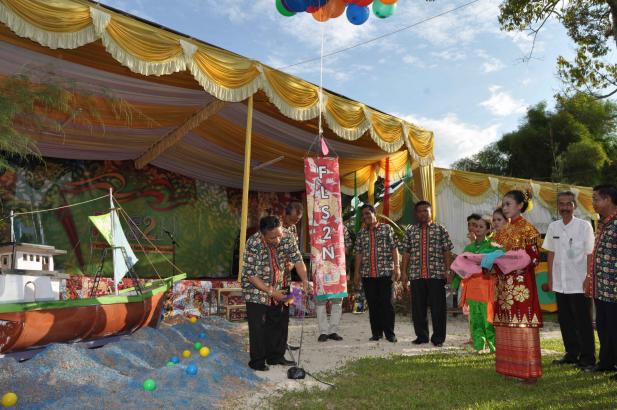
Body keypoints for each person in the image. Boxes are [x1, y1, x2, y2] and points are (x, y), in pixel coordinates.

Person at [241, 215, 310, 371]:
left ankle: (276, 357)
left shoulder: (288, 236)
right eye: (273, 237)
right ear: (263, 234)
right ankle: (257, 361)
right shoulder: (253, 242)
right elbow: (250, 274)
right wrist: (271, 292)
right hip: (256, 289)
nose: (278, 240)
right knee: (258, 326)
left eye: (279, 235)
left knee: (279, 322)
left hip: (281, 283)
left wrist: (305, 280)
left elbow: (298, 260)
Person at [492, 190, 542, 384]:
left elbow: (535, 258)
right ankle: (510, 368)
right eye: (503, 204)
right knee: (507, 324)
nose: (504, 208)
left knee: (523, 325)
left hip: (522, 287)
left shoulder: (528, 229)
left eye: (508, 204)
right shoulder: (503, 231)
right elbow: (496, 256)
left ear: (520, 205)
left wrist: (517, 263)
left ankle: (530, 374)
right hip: (503, 286)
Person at [542, 191, 595, 370]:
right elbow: (551, 253)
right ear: (558, 206)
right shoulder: (553, 227)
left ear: (575, 206)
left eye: (568, 204)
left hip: (579, 282)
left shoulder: (584, 226)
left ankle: (588, 358)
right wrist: (550, 279)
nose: (565, 207)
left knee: (583, 322)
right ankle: (571, 354)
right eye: (562, 204)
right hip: (560, 282)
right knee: (565, 320)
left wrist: (588, 277)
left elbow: (590, 253)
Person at [401, 201, 454, 347]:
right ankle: (422, 336)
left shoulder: (440, 229)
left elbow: (447, 251)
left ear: (431, 212)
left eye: (426, 210)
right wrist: (404, 272)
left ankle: (438, 338)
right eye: (420, 211)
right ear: (416, 214)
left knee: (438, 308)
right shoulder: (410, 231)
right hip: (416, 274)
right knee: (418, 308)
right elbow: (406, 253)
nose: (423, 213)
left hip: (436, 274)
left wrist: (448, 270)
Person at [353, 204, 400, 343]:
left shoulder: (387, 229)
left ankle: (390, 334)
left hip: (385, 273)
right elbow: (359, 254)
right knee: (373, 305)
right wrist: (356, 272)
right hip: (368, 274)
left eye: (368, 213)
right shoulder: (361, 233)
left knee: (387, 304)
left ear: (374, 214)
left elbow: (394, 248)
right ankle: (376, 333)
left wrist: (396, 267)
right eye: (363, 215)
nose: (365, 217)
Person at [585, 184, 617, 376]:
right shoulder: (604, 223)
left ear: (608, 199)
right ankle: (606, 362)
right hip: (601, 287)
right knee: (604, 327)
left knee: (614, 327)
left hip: (614, 288)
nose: (593, 202)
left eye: (596, 198)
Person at [456, 216, 498, 353]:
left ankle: (493, 348)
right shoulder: (469, 247)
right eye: (475, 226)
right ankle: (479, 346)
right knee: (475, 320)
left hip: (486, 289)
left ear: (488, 229)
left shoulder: (493, 246)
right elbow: (460, 268)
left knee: (488, 320)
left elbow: (497, 266)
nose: (477, 229)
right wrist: (454, 282)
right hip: (472, 289)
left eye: (481, 226)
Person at [315, 225, 351, 342]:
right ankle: (323, 332)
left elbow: (348, 247)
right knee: (320, 299)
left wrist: (337, 248)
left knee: (338, 299)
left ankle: (333, 331)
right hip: (321, 267)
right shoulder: (317, 223)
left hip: (337, 266)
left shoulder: (341, 227)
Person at [281, 201, 303, 350]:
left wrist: (293, 265)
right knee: (273, 313)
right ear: (285, 214)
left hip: (286, 277)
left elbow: (295, 254)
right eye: (292, 219)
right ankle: (274, 344)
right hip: (272, 278)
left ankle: (283, 343)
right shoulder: (274, 226)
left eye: (297, 221)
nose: (294, 223)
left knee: (284, 311)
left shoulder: (293, 228)